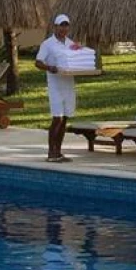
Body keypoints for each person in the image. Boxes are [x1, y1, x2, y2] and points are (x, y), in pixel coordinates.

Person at [35, 13, 95, 163]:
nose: (64, 28)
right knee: (57, 118)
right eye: (61, 25)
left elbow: (76, 58)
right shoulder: (48, 44)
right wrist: (49, 67)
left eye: (66, 25)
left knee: (65, 118)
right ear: (55, 26)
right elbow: (37, 62)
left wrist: (80, 51)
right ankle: (51, 152)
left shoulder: (69, 43)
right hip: (55, 86)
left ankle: (58, 152)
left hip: (68, 85)